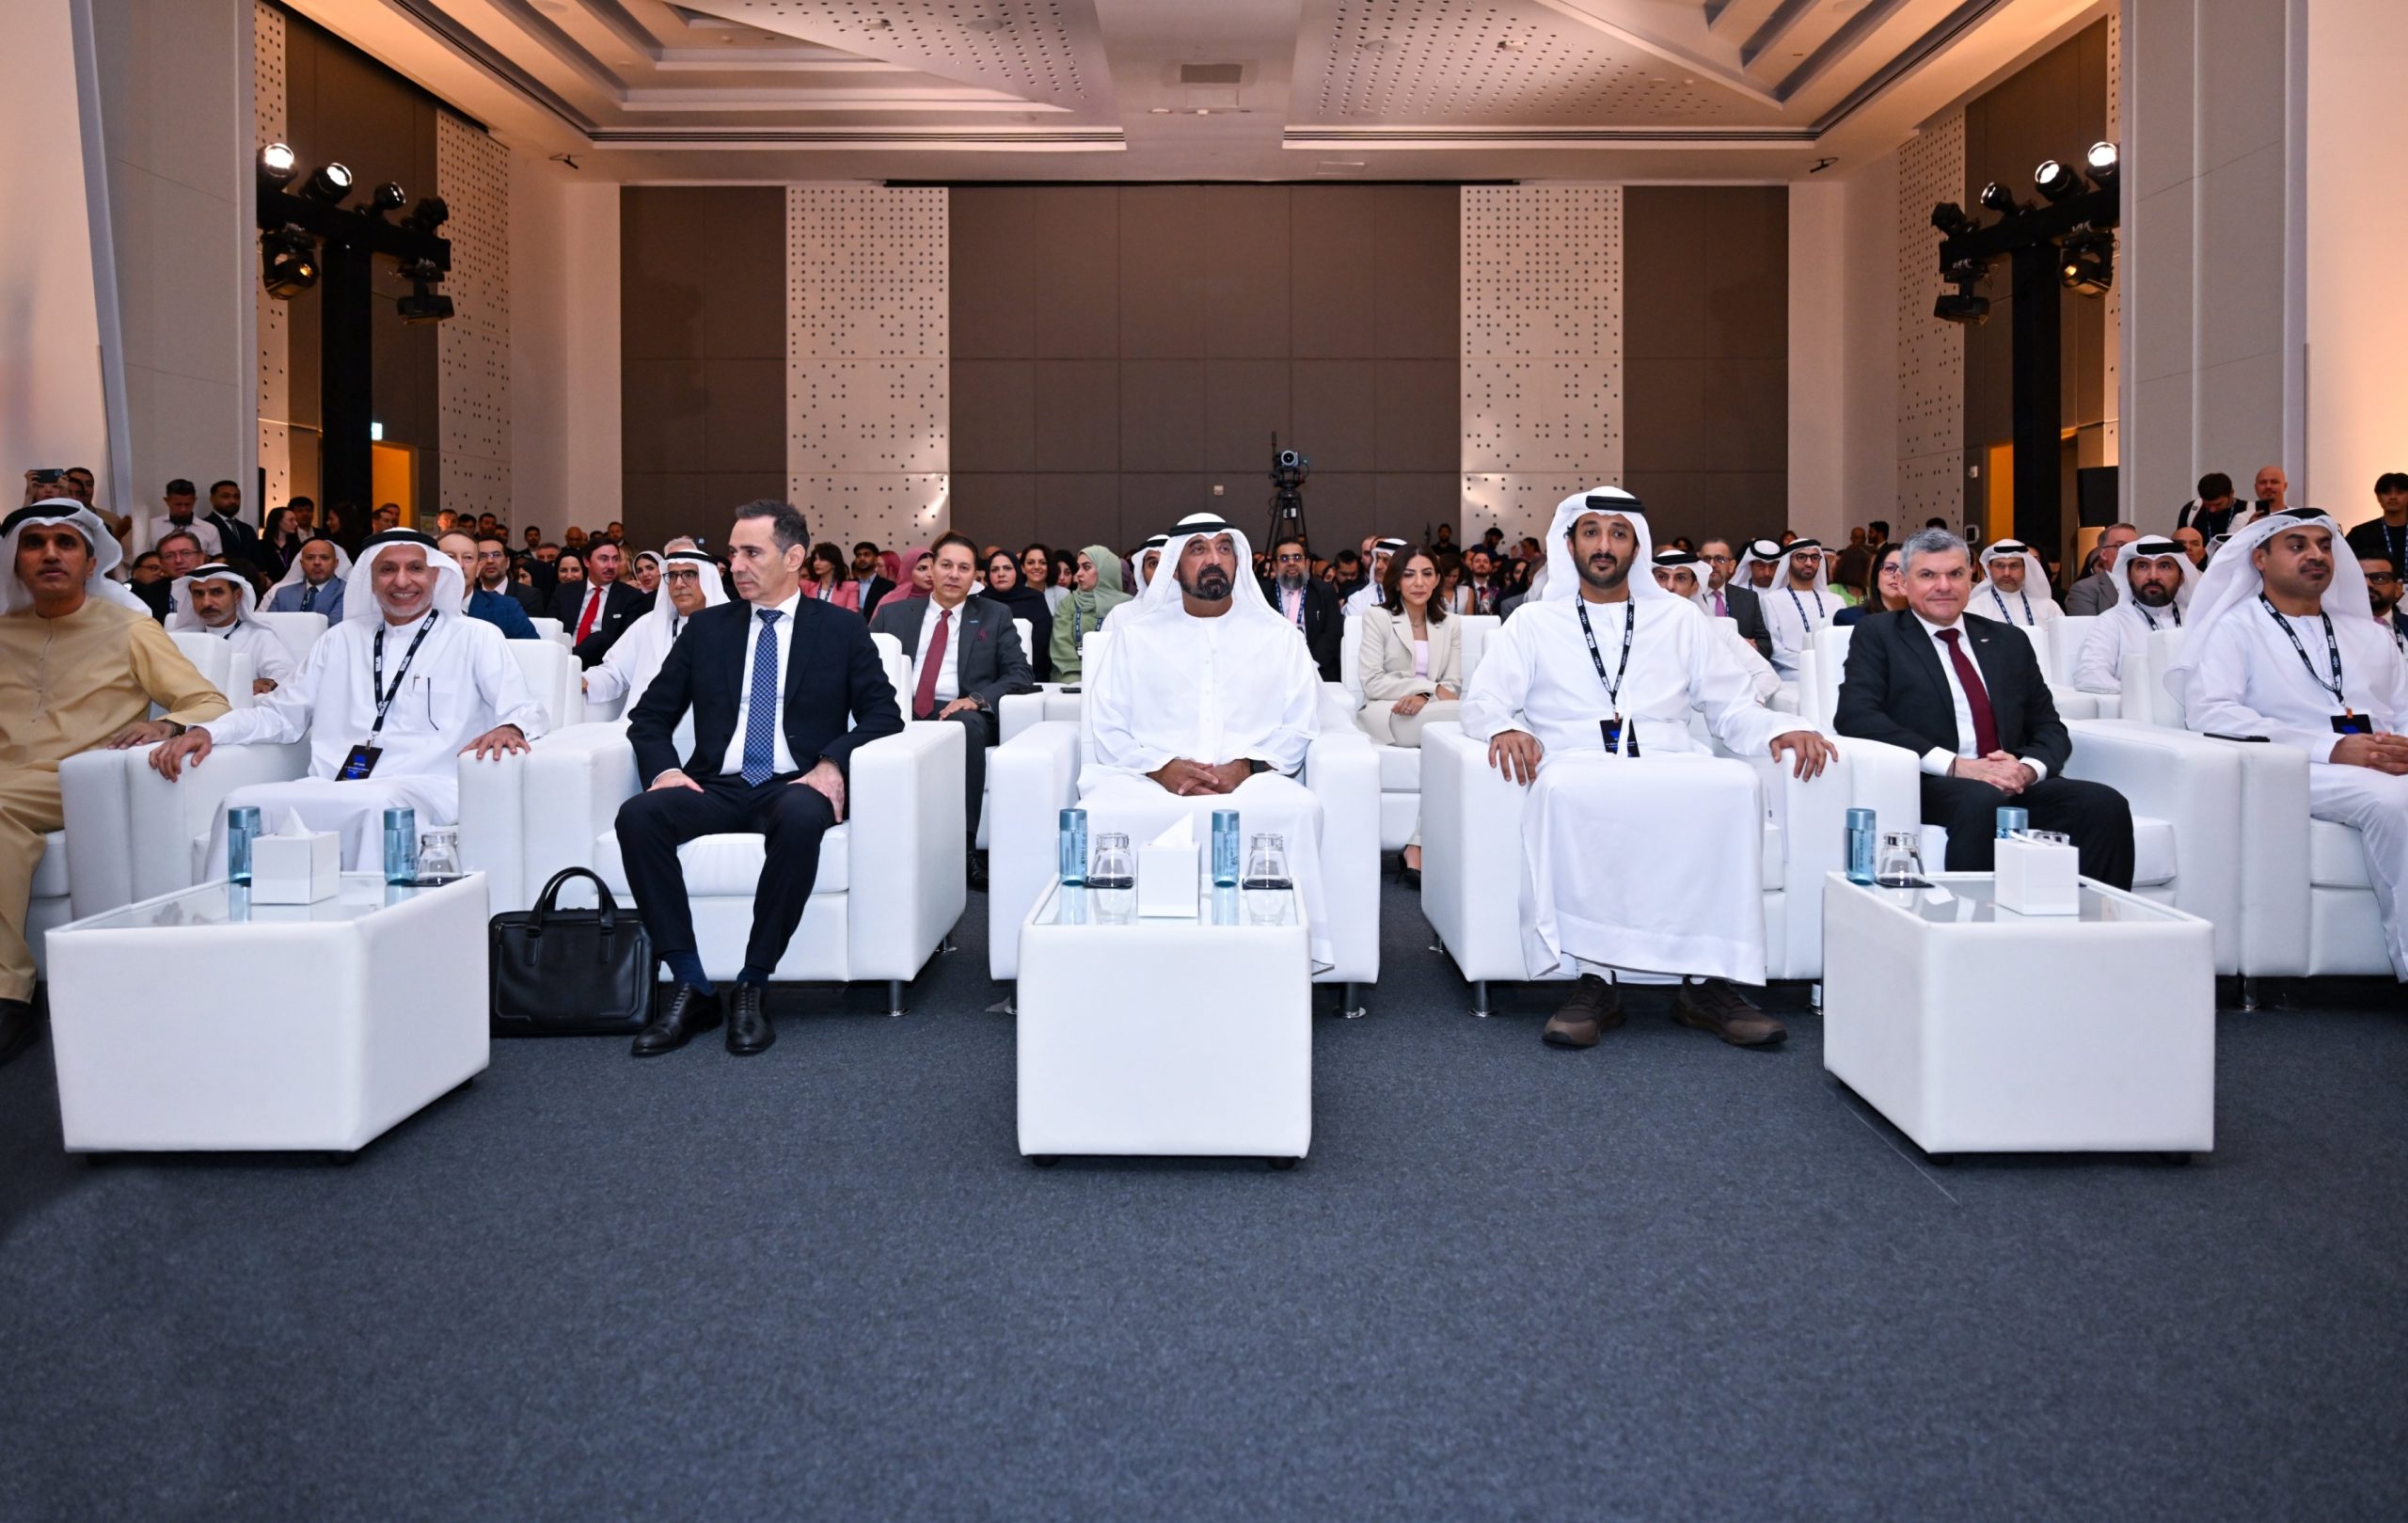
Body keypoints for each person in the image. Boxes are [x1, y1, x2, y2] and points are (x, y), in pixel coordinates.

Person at [1461, 489, 1834, 1051]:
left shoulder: (1681, 619)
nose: (1604, 546)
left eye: (1618, 534)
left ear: (1637, 547)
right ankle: (1595, 980)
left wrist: (1780, 729)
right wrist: (1504, 729)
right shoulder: (1533, 622)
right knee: (1566, 790)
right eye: (1591, 532)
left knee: (1735, 784)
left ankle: (1707, 985)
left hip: (1667, 755)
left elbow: (1731, 707)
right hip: (1574, 757)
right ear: (1569, 544)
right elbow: (1484, 700)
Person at [614, 502, 906, 1056]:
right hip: (716, 786)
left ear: (794, 558)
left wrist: (831, 762)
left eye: (752, 552)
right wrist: (666, 771)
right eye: (733, 553)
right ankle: (692, 985)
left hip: (794, 783)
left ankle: (753, 982)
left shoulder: (840, 629)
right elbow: (648, 717)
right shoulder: (707, 629)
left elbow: (882, 715)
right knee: (638, 816)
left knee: (799, 817)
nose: (737, 565)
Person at [150, 531, 545, 872]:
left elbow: (525, 709)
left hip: (427, 784)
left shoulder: (475, 636)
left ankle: (375, 926)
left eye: (415, 568)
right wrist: (208, 731)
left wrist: (510, 727)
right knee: (241, 804)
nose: (401, 581)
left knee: (378, 806)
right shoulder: (339, 639)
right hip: (334, 783)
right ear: (370, 580)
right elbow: (279, 714)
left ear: (436, 576)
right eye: (387, 570)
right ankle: (232, 925)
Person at [0, 502, 230, 1058]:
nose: (49, 554)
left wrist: (165, 723)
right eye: (34, 543)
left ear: (89, 564)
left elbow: (209, 701)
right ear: (15, 563)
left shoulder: (129, 628)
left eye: (65, 543)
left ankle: (8, 993)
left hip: (71, 778)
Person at [1083, 514, 1335, 968]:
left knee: (1298, 810)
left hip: (1253, 780)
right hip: (1148, 779)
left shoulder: (1280, 637)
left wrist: (1247, 767)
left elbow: (1300, 724)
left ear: (1238, 561)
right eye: (1198, 549)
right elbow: (1108, 725)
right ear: (1174, 566)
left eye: (1223, 548)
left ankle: (1284, 962)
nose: (1213, 559)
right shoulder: (1135, 637)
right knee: (1099, 814)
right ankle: (1107, 962)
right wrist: (1162, 768)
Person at [2167, 509, 2408, 978]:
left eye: (2324, 546)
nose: (2316, 555)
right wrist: (2328, 748)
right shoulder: (2234, 628)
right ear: (2259, 559)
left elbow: (2401, 708)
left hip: (2383, 763)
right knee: (2395, 801)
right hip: (2294, 768)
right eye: (2298, 546)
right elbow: (2213, 712)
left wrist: (2400, 750)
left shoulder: (2371, 635)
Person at [1834, 527, 2136, 888]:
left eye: (1955, 574)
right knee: (1982, 800)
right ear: (1903, 581)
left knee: (2104, 804)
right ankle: (1973, 918)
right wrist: (1956, 766)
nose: (1943, 586)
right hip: (1933, 781)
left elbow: (2049, 726)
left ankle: (2097, 917)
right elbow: (1857, 715)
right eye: (1928, 575)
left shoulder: (2008, 640)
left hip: (2012, 779)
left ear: (1971, 577)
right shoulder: (1878, 634)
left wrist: (2027, 770)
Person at [872, 534, 1035, 887]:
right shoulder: (892, 615)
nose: (954, 574)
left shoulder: (995, 615)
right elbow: (864, 668)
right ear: (931, 568)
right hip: (901, 710)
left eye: (964, 568)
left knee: (966, 726)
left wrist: (976, 698)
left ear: (975, 575)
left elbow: (1020, 672)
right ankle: (879, 849)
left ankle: (964, 849)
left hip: (962, 712)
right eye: (946, 565)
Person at [1356, 547, 1461, 882]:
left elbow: (1453, 685)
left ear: (1438, 579)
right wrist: (1425, 689)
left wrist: (1425, 696)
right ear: (1396, 580)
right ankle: (1418, 847)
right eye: (1409, 574)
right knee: (1467, 717)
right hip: (1388, 712)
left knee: (1448, 744)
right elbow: (1372, 681)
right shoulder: (1378, 617)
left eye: (1427, 573)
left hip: (1433, 713)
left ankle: (1416, 845)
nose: (1419, 582)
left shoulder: (1450, 624)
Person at [585, 547, 725, 715]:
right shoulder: (648, 624)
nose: (679, 584)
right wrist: (582, 680)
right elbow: (615, 673)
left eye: (689, 574)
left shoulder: (729, 628)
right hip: (645, 722)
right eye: (672, 576)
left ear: (708, 579)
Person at [1655, 548, 1782, 703]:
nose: (1670, 586)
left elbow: (1766, 676)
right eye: (1662, 577)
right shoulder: (1636, 629)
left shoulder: (1717, 631)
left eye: (1680, 578)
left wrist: (1735, 705)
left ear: (1695, 586)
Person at [2073, 537, 2193, 694]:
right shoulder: (2112, 622)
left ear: (2182, 577)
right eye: (2142, 566)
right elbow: (2089, 676)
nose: (2153, 576)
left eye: (2164, 566)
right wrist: (2145, 694)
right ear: (2128, 576)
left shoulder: (2196, 620)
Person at [166, 561, 297, 694]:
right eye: (198, 594)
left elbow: (285, 674)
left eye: (216, 592)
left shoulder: (259, 636)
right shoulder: (179, 640)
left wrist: (267, 682)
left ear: (237, 596)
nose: (206, 603)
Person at [1261, 534, 1343, 681]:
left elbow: (1333, 632)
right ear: (1274, 565)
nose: (1291, 563)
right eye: (1284, 559)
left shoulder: (1324, 592)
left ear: (1307, 563)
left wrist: (1311, 665)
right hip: (1273, 671)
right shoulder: (1262, 594)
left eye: (1297, 558)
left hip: (1317, 670)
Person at [1048, 545, 1131, 683]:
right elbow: (1062, 644)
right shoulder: (1069, 602)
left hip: (1115, 674)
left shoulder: (1127, 606)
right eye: (1078, 568)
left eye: (1086, 567)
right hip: (1072, 671)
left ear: (1105, 570)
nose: (1078, 574)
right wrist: (1080, 678)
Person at [556, 540, 645, 667]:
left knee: (599, 638)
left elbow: (626, 643)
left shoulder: (630, 596)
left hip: (602, 664)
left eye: (616, 559)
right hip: (563, 654)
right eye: (604, 559)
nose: (611, 566)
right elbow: (552, 631)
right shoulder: (564, 592)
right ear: (587, 562)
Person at [1755, 537, 1835, 679]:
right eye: (1801, 557)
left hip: (1831, 669)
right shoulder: (1771, 600)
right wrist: (1811, 663)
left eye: (1814, 558)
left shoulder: (1836, 601)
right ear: (1788, 561)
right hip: (1790, 673)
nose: (1809, 563)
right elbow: (1774, 648)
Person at [438, 531, 536, 639]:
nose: (460, 565)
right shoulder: (424, 608)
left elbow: (532, 648)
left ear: (478, 568)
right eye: (450, 557)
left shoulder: (507, 608)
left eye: (468, 557)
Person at [980, 546, 1054, 684]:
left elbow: (1041, 645)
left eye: (1007, 568)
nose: (1001, 574)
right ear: (988, 574)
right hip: (985, 678)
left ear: (1017, 571)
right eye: (994, 570)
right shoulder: (978, 602)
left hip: (1031, 675)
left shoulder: (1034, 599)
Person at [1975, 539, 2064, 628]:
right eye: (2000, 566)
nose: (2007, 573)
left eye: (2014, 566)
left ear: (2025, 568)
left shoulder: (2049, 607)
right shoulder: (1976, 608)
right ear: (1989, 568)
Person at [266, 535, 350, 621]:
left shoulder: (347, 592)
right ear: (302, 564)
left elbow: (334, 625)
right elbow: (269, 626)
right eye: (310, 558)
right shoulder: (283, 594)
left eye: (324, 558)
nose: (317, 562)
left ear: (335, 563)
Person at [2065, 522, 2139, 615]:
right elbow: (2088, 625)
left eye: (2134, 547)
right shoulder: (2085, 589)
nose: (2130, 552)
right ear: (2104, 554)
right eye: (2121, 546)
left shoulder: (2148, 585)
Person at [2344, 471, 2408, 573]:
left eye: (2399, 492)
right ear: (2378, 497)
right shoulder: (2360, 533)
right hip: (2373, 582)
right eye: (2386, 493)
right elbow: (2344, 564)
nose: (2393, 497)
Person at [1835, 542, 1909, 627]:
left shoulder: (1921, 619)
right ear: (1876, 577)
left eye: (1905, 569)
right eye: (1889, 568)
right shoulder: (1851, 619)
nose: (1897, 574)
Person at [139, 530, 208, 620]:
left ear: (201, 557)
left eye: (186, 553)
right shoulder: (149, 594)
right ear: (162, 563)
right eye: (169, 556)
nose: (178, 560)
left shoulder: (219, 586)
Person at [149, 479, 222, 559]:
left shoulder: (210, 529)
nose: (183, 509)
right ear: (167, 501)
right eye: (178, 504)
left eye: (187, 504)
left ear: (194, 500)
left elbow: (217, 561)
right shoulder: (152, 527)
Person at [201, 480, 260, 569]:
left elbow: (257, 559)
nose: (233, 501)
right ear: (212, 499)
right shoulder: (204, 527)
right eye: (226, 496)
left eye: (237, 497)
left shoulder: (247, 529)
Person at [1344, 537, 1406, 618]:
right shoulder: (1359, 600)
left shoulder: (1415, 598)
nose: (1378, 566)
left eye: (1386, 561)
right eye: (1378, 559)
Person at [2361, 553, 2408, 658]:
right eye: (2359, 577)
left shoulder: (2405, 623)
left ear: (2397, 589)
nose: (2367, 584)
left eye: (2379, 578)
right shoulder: (2333, 628)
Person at [2177, 471, 2242, 541]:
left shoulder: (2247, 511)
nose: (2212, 510)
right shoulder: (2191, 510)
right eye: (2207, 504)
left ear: (2231, 494)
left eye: (2218, 504)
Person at [803, 543, 863, 611]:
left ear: (834, 563)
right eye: (815, 559)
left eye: (822, 559)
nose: (816, 563)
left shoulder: (850, 587)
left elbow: (852, 614)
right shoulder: (807, 586)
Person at [257, 506, 302, 583]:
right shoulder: (261, 546)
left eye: (296, 520)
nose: (296, 524)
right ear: (278, 521)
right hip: (270, 588)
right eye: (291, 520)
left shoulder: (298, 547)